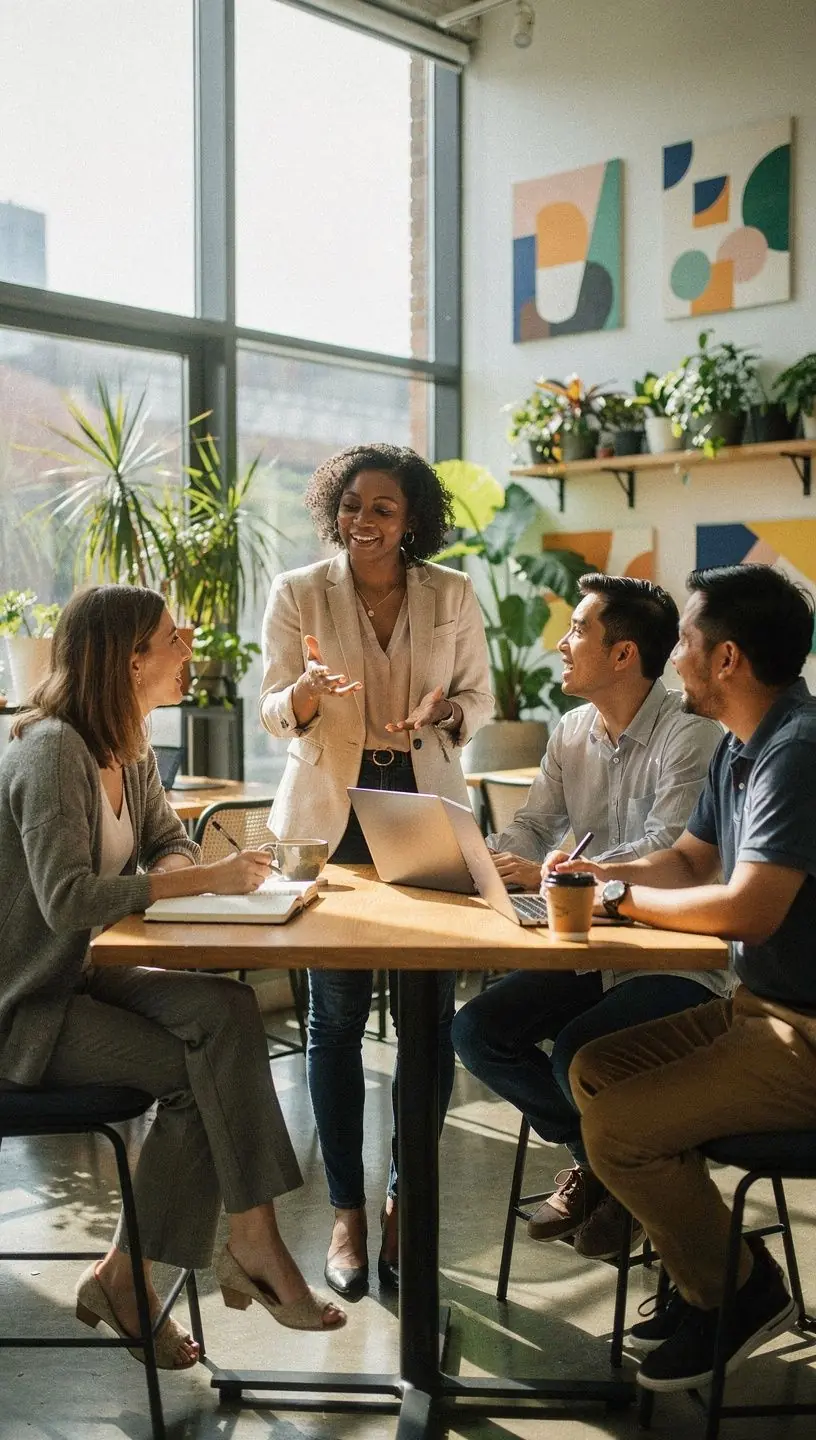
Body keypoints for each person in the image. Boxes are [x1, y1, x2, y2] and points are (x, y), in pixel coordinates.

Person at [0, 585, 345, 1372]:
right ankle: (222, 1256)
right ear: (130, 661)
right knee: (203, 1074)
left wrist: (193, 869)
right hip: (28, 1006)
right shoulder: (54, 748)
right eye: (174, 638)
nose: (190, 650)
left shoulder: (126, 742)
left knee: (227, 1010)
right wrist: (202, 880)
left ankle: (216, 1250)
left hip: (83, 974)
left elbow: (165, 841)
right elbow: (67, 900)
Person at [562, 564, 816, 1393]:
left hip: (803, 1036)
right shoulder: (745, 745)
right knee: (594, 1067)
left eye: (691, 646)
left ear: (729, 659)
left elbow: (750, 908)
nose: (677, 661)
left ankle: (738, 1294)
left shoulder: (797, 752)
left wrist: (623, 903)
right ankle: (707, 1274)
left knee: (618, 1132)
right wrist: (599, 877)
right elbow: (690, 859)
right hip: (760, 1010)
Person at [259, 442, 493, 1299]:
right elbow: (273, 708)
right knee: (337, 1020)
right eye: (352, 504)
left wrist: (449, 713)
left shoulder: (453, 593)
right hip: (331, 816)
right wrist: (309, 697)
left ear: (412, 521)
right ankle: (347, 1215)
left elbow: (481, 696)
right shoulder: (298, 591)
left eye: (384, 509)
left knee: (429, 1019)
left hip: (424, 803)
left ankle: (405, 1202)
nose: (364, 521)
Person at [452, 574, 725, 1259]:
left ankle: (621, 1172)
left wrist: (568, 873)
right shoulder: (571, 731)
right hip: (590, 947)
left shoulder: (691, 736)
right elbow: (534, 825)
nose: (562, 645)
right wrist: (488, 858)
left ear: (624, 655)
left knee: (577, 1053)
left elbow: (671, 850)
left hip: (674, 957)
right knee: (477, 1030)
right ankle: (605, 1166)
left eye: (577, 630)